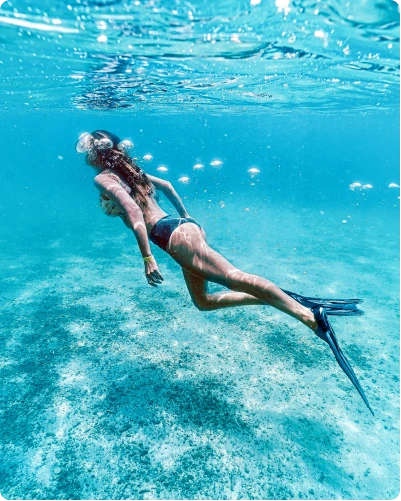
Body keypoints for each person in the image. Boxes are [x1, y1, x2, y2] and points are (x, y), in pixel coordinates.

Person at [76, 130, 373, 414]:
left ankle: (311, 317)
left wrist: (146, 256)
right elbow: (166, 185)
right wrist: (188, 218)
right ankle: (279, 298)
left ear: (94, 153)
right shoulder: (130, 170)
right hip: (178, 231)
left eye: (86, 149)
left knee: (235, 277)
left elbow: (133, 211)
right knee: (203, 302)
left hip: (172, 237)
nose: (85, 155)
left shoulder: (104, 179)